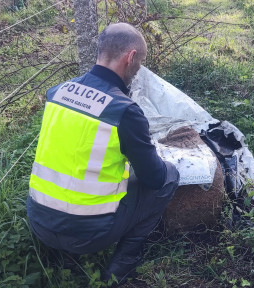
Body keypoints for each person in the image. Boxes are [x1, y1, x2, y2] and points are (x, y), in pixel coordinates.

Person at [26, 22, 180, 283]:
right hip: (88, 234)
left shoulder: (57, 93)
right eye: (140, 63)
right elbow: (154, 178)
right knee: (169, 177)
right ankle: (120, 268)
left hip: (39, 221)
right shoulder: (124, 111)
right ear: (130, 57)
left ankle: (61, 257)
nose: (138, 70)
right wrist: (164, 162)